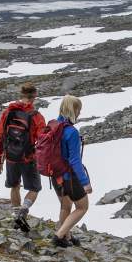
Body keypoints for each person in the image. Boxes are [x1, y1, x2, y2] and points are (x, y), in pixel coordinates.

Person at [0, 81, 46, 233]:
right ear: (34, 97)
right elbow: (42, 141)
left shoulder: (8, 112)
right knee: (34, 188)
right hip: (28, 157)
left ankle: (17, 217)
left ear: (21, 95)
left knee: (14, 185)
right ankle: (23, 211)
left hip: (10, 157)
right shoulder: (36, 116)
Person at [42, 95, 92, 248]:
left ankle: (67, 236)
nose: (80, 113)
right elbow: (75, 161)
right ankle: (59, 236)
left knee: (65, 206)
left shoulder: (53, 126)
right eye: (79, 110)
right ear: (74, 110)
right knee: (82, 207)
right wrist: (85, 183)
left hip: (54, 175)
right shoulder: (71, 132)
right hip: (68, 177)